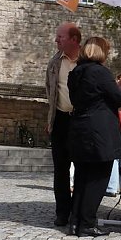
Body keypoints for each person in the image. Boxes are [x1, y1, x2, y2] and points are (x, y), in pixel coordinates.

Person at [66, 36, 121, 237]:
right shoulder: (100, 72)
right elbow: (120, 98)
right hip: (99, 131)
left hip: (80, 128)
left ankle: (75, 222)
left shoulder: (75, 73)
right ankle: (87, 223)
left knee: (81, 177)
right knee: (98, 177)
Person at [45, 22, 81, 227]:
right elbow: (49, 90)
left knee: (82, 168)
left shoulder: (87, 61)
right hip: (60, 120)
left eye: (61, 37)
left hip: (80, 121)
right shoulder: (54, 62)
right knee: (61, 169)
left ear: (74, 40)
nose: (56, 40)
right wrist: (50, 119)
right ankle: (62, 211)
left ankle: (78, 210)